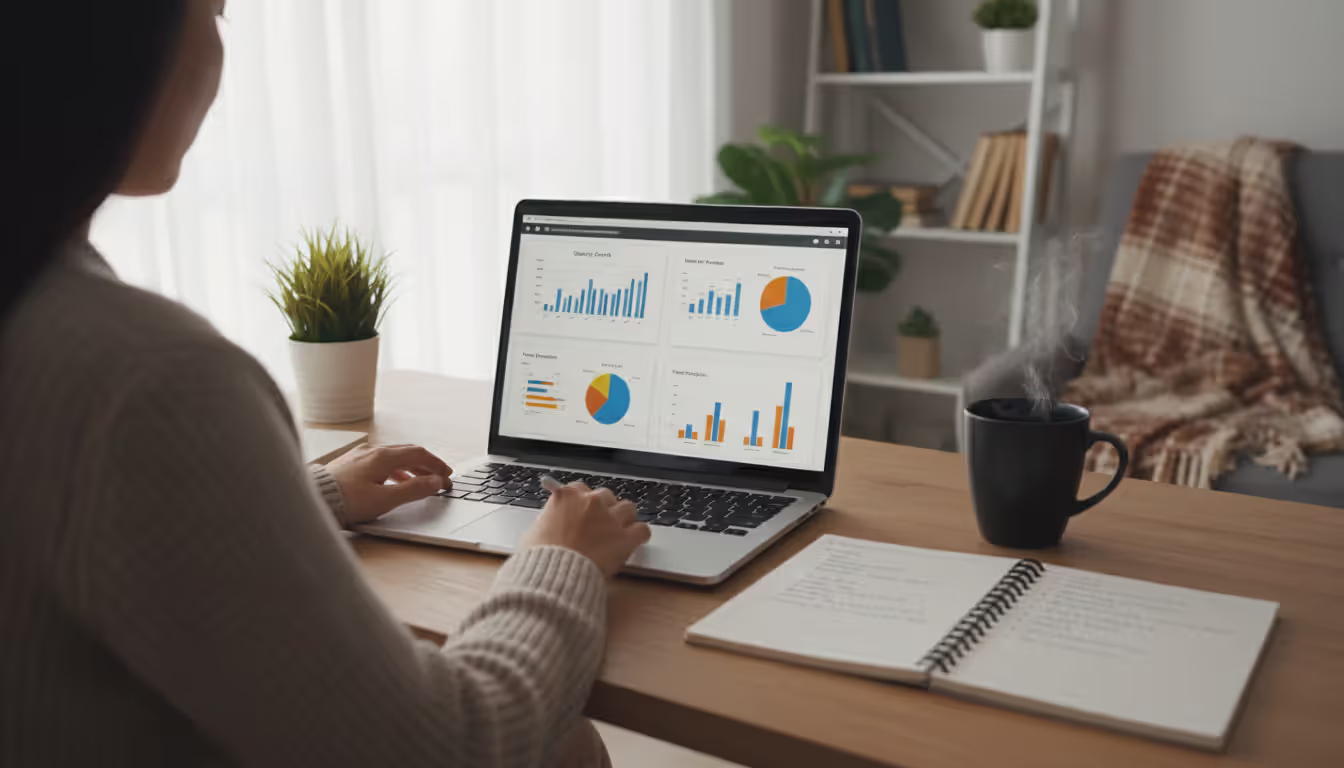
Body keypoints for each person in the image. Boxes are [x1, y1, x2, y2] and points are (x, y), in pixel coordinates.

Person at [0, 1, 650, 766]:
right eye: (215, 10)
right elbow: (450, 744)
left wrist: (308, 496)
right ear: (113, 43)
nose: (218, 43)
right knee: (567, 748)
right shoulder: (148, 378)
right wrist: (561, 556)